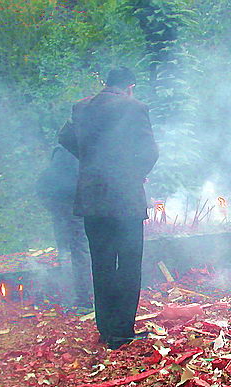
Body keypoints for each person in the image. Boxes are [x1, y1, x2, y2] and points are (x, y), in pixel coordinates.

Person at [59, 67, 159, 349]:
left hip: (92, 199)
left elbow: (64, 137)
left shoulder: (82, 107)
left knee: (101, 264)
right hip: (124, 200)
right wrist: (135, 173)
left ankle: (106, 329)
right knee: (127, 264)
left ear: (106, 84)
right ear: (130, 86)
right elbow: (151, 151)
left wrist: (90, 163)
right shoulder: (135, 108)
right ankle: (122, 331)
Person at [34, 145, 93, 309]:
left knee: (65, 249)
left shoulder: (60, 154)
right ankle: (83, 297)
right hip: (74, 205)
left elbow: (43, 186)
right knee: (79, 250)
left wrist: (52, 206)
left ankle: (69, 292)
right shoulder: (80, 152)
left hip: (59, 205)